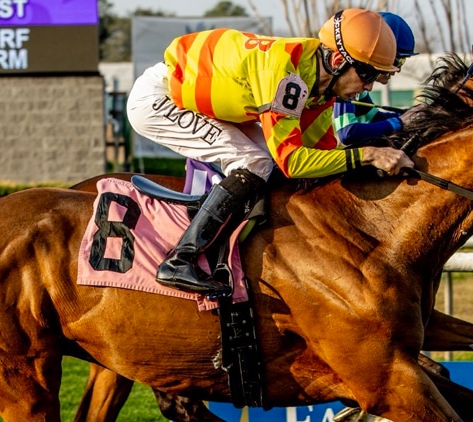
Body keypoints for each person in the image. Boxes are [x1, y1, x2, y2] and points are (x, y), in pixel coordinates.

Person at [127, 9, 415, 297]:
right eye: (367, 74)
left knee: (267, 162)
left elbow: (323, 156)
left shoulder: (319, 88)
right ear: (338, 61)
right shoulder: (285, 75)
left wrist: (375, 161)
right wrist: (367, 155)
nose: (369, 87)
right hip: (160, 99)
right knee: (254, 162)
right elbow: (293, 162)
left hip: (198, 98)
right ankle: (180, 260)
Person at [332, 12, 419, 147]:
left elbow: (371, 118)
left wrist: (415, 115)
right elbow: (347, 133)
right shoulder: (345, 82)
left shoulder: (361, 87)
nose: (397, 70)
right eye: (397, 62)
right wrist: (400, 122)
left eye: (402, 62)